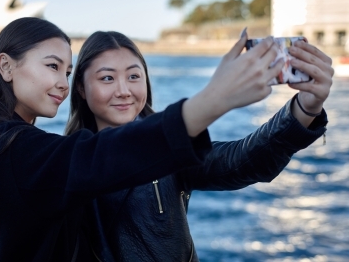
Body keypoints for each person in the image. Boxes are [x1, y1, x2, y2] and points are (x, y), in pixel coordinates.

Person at [0, 17, 286, 261]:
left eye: (66, 70)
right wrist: (214, 99)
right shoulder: (19, 151)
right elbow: (97, 160)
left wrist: (301, 112)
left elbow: (238, 159)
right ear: (6, 67)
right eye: (51, 66)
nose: (61, 81)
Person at [65, 30, 332, 261]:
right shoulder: (64, 162)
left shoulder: (171, 153)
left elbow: (241, 160)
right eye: (107, 78)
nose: (124, 90)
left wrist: (304, 109)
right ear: (80, 87)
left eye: (134, 76)